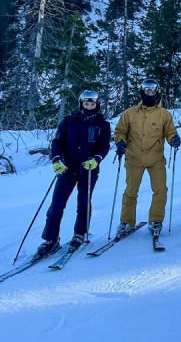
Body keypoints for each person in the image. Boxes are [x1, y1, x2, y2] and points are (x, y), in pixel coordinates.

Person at [33, 91, 111, 259]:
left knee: (83, 202)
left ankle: (79, 233)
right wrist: (56, 160)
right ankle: (50, 239)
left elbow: (104, 146)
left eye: (92, 104)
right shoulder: (69, 121)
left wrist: (97, 159)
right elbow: (57, 142)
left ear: (96, 105)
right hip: (67, 168)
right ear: (81, 104)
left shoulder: (102, 124)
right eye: (86, 104)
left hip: (88, 169)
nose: (89, 107)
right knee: (57, 204)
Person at [114, 79, 180, 239]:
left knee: (160, 190)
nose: (149, 93)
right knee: (130, 191)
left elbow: (170, 131)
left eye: (152, 91)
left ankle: (156, 220)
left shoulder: (164, 114)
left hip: (156, 158)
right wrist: (120, 142)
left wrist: (174, 139)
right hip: (134, 158)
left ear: (157, 92)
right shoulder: (129, 113)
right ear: (142, 92)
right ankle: (127, 221)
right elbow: (120, 131)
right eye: (146, 91)